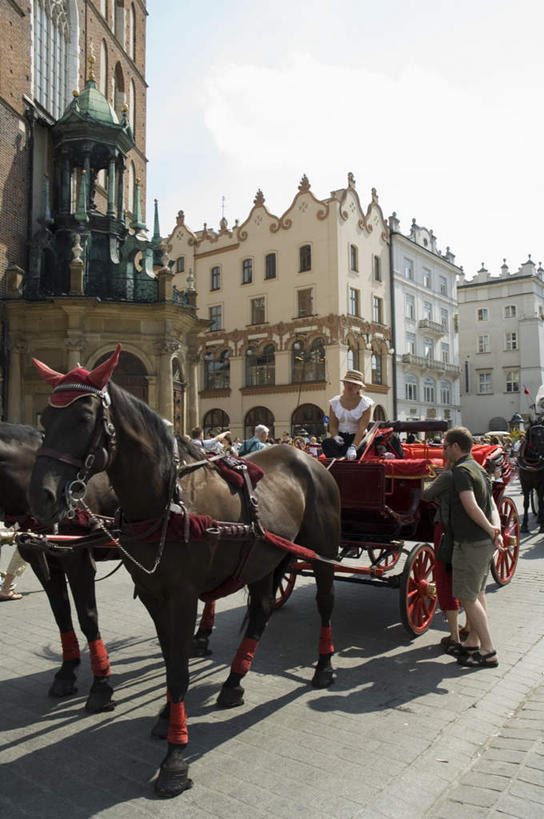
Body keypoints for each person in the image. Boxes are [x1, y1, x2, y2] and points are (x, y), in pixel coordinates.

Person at [444, 426, 504, 668]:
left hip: (470, 543)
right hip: (482, 543)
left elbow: (471, 506)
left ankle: (489, 651)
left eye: (445, 446)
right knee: (478, 594)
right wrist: (495, 530)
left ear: (456, 447)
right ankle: (473, 642)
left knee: (467, 597)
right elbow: (491, 504)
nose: (443, 449)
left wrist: (491, 530)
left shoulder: (460, 471)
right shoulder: (478, 467)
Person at [422, 462, 470, 654]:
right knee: (468, 583)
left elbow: (426, 495)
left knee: (445, 579)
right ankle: (470, 629)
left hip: (447, 532)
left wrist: (434, 480)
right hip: (468, 532)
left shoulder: (449, 475)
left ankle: (454, 638)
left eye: (446, 447)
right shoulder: (477, 470)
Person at [321, 369, 374, 460]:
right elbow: (333, 425)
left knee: (360, 451)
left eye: (354, 384)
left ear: (359, 387)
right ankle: (338, 465)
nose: (351, 386)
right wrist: (336, 436)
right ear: (344, 383)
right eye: (348, 383)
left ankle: (342, 461)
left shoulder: (365, 403)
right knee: (326, 443)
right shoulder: (335, 402)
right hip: (341, 437)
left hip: (359, 438)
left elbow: (362, 427)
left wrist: (353, 446)